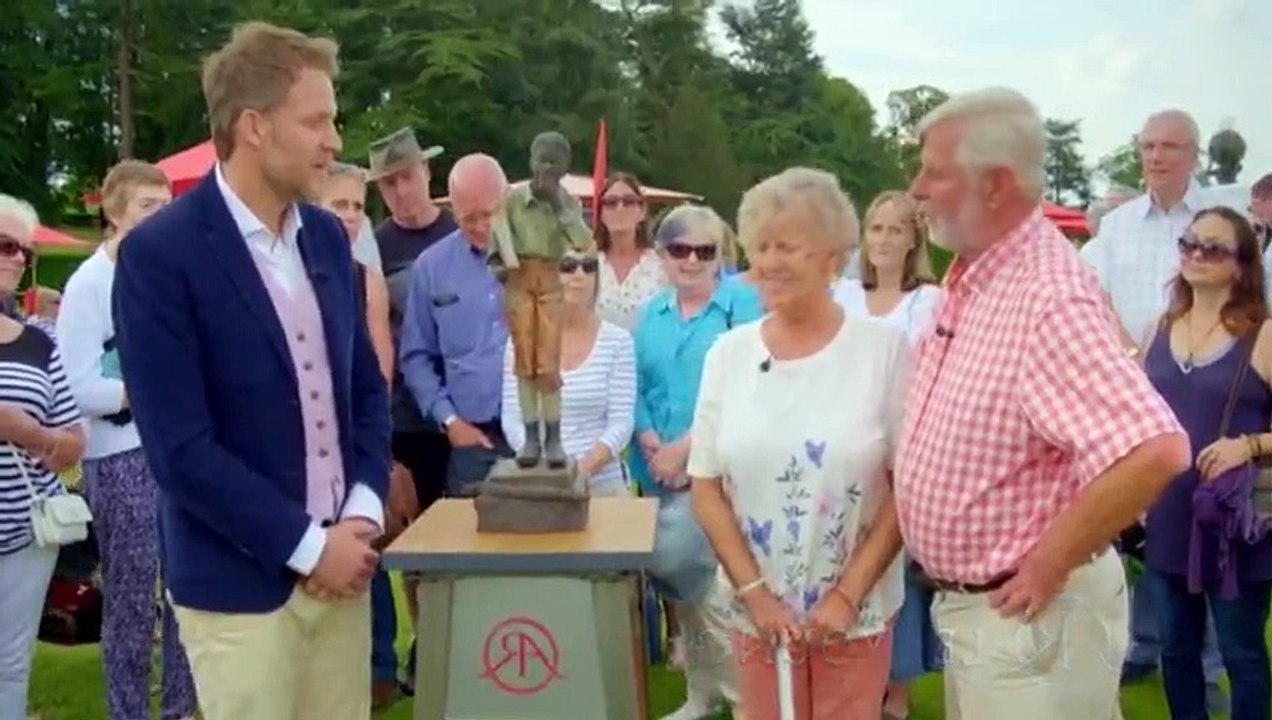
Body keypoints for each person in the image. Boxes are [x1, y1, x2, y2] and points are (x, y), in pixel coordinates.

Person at [111, 22, 391, 720]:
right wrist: (308, 548)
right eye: (316, 121)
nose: (333, 140)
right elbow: (179, 449)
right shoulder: (160, 256)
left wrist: (361, 511)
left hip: (344, 575)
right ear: (254, 127)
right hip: (238, 590)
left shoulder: (327, 239)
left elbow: (363, 391)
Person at [895, 87, 1192, 718]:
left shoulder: (1045, 298)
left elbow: (1155, 449)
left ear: (995, 185)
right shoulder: (983, 275)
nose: (916, 189)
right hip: (994, 617)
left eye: (934, 172)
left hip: (1028, 618)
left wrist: (1047, 564)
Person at [689, 168, 906, 720]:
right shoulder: (728, 354)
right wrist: (755, 594)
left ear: (833, 255)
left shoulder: (884, 350)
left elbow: (906, 487)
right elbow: (706, 487)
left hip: (853, 615)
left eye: (787, 247)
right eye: (761, 247)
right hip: (754, 616)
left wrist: (847, 596)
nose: (770, 262)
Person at [1077, 110, 1227, 707]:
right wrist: (1132, 355)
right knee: (1137, 519)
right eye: (1148, 146)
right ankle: (1143, 645)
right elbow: (1094, 297)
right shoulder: (1117, 226)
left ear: (1194, 155)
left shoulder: (1219, 220)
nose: (1157, 157)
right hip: (1131, 388)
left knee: (1201, 518)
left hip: (1201, 384)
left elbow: (1244, 298)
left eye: (1170, 147)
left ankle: (1205, 663)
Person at [55, 160, 198, 720]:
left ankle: (181, 708)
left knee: (187, 589)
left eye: (166, 206)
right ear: (114, 214)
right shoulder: (89, 285)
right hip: (119, 457)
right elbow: (76, 386)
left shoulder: (172, 275)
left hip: (181, 449)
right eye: (147, 207)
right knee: (132, 599)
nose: (160, 217)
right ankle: (128, 711)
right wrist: (149, 390)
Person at [1140, 206, 1272, 720]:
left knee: (1241, 653)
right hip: (1168, 514)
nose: (1196, 254)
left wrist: (1250, 445)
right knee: (1175, 650)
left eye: (1213, 248)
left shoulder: (1262, 335)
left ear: (1241, 264)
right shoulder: (1159, 328)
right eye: (1188, 243)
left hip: (1235, 523)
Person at [631, 204, 754, 720]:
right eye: (680, 250)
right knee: (686, 592)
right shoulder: (650, 316)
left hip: (719, 474)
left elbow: (744, 390)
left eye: (705, 251)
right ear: (661, 255)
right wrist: (648, 438)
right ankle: (701, 694)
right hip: (658, 472)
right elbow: (636, 384)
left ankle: (746, 698)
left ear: (720, 253)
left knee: (722, 593)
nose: (692, 261)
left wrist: (685, 449)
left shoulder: (741, 308)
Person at [832, 190, 940, 720]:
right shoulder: (843, 294)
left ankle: (896, 694)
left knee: (896, 569)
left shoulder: (930, 301)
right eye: (876, 228)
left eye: (896, 230)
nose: (884, 239)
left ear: (914, 239)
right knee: (847, 561)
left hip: (905, 448)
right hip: (845, 449)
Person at [318, 161, 416, 708]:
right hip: (309, 435)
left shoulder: (366, 278)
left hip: (357, 429)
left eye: (358, 206)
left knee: (365, 540)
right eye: (340, 204)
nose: (352, 216)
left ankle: (379, 663)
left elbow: (379, 362)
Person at [0, 194, 86, 720]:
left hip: (25, 533)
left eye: (23, 251)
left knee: (10, 663)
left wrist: (31, 433)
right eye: (4, 245)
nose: (15, 258)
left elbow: (73, 442)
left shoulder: (41, 341)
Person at [399, 153, 515, 497]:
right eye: (468, 218)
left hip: (539, 435)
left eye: (489, 214)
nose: (480, 226)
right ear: (452, 209)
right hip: (473, 442)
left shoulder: (541, 256)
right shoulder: (431, 267)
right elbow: (415, 356)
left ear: (508, 198)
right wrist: (450, 421)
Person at [494, 131, 596, 469]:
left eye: (555, 164)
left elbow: (582, 241)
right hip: (519, 279)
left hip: (551, 280)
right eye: (542, 161)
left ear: (565, 169)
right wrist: (499, 265)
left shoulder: (568, 204)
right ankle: (530, 438)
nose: (546, 170)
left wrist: (559, 206)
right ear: (530, 161)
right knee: (525, 362)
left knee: (548, 361)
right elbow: (498, 236)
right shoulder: (512, 201)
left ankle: (553, 438)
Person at [500, 249, 636, 495]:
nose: (579, 275)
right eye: (568, 266)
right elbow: (513, 418)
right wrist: (547, 470)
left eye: (589, 266)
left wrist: (580, 471)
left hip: (603, 484)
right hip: (540, 483)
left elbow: (621, 423)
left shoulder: (618, 341)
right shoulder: (521, 341)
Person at [593, 173, 666, 331]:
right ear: (601, 214)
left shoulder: (662, 266)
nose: (620, 208)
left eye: (628, 201)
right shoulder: (587, 265)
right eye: (611, 203)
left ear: (642, 211)